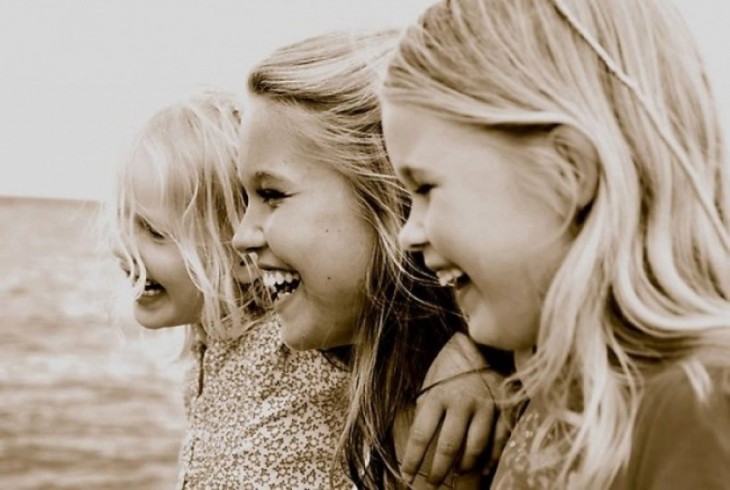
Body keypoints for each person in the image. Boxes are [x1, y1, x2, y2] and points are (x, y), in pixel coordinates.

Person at [380, 0, 730, 488]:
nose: (408, 233)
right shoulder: (553, 396)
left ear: (567, 174)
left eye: (426, 188)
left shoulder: (699, 403)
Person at [232, 30, 513, 489]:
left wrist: (489, 356)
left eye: (272, 194)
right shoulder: (365, 363)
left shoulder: (470, 399)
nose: (241, 235)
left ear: (391, 197)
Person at [110, 91, 351, 489]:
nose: (122, 248)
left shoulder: (301, 350)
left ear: (240, 247)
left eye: (154, 232)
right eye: (124, 223)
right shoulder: (210, 355)